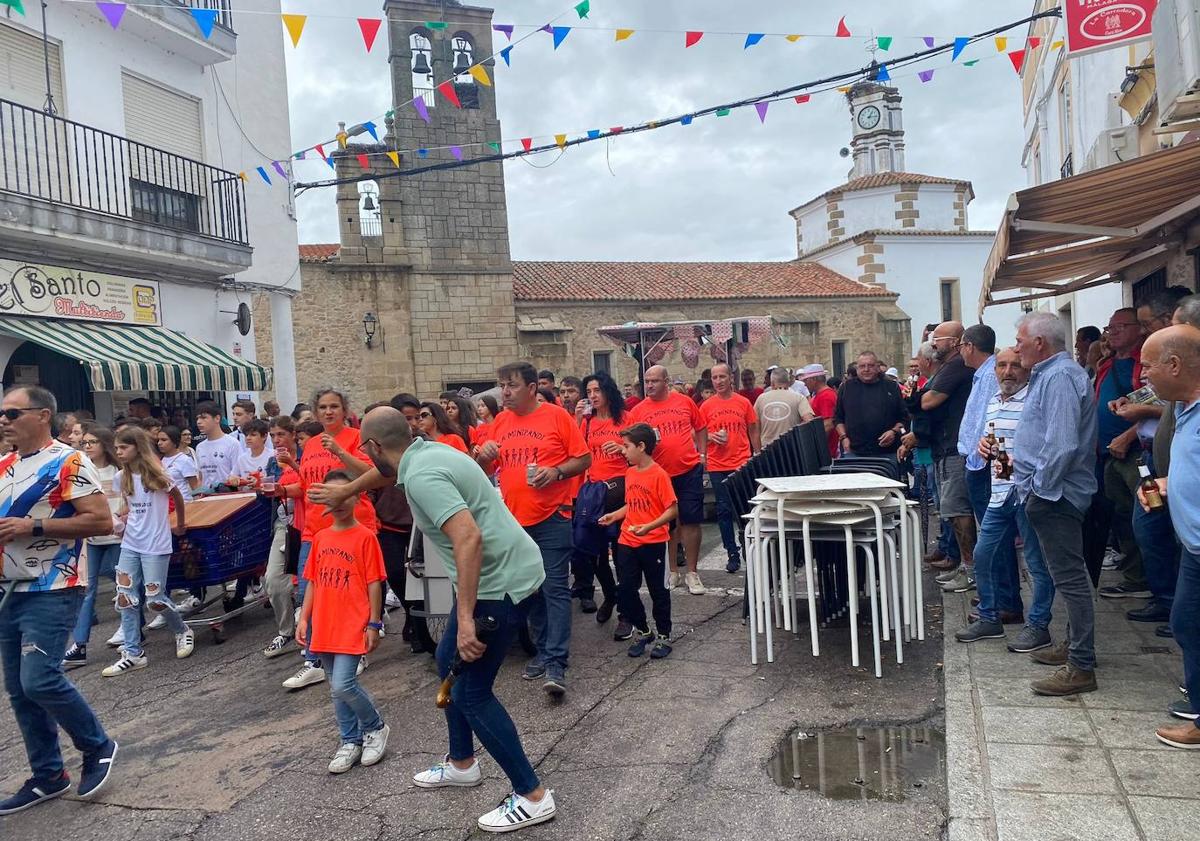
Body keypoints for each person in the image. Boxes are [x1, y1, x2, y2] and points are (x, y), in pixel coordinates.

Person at [312, 406, 557, 831]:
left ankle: (532, 795)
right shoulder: (427, 452)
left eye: (366, 450)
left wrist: (464, 618)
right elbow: (387, 474)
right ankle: (462, 763)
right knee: (448, 664)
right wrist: (346, 488)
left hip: (497, 587)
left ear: (372, 446)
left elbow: (468, 537)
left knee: (470, 694)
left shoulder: (422, 475)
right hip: (510, 570)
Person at [0, 386, 119, 814]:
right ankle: (48, 776)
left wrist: (31, 528)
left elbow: (100, 520)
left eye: (12, 413)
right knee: (18, 691)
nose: (3, 419)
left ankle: (98, 745)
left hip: (53, 587)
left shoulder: (69, 461)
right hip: (8, 590)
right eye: (2, 413)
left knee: (39, 680)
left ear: (43, 415)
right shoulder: (5, 465)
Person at [476, 362, 590, 697]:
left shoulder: (556, 416)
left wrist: (555, 472)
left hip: (552, 516)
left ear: (530, 388)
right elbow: (485, 469)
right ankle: (542, 650)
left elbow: (583, 459)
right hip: (515, 522)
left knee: (554, 589)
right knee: (531, 589)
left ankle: (556, 662)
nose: (504, 392)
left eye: (510, 385)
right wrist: (483, 456)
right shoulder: (501, 422)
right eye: (501, 385)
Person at [1013, 312, 1099, 696]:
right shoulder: (1050, 375)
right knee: (1065, 575)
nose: (1016, 348)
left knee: (1071, 578)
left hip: (1057, 494)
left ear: (1040, 343)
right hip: (1051, 492)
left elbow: (1062, 443)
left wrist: (1039, 489)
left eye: (1020, 341)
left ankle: (1081, 664)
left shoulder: (1060, 377)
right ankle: (1074, 647)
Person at [954, 348, 1055, 651]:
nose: (1008, 371)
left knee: (1036, 564)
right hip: (1000, 492)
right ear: (994, 370)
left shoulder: (1034, 401)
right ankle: (989, 617)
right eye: (1002, 365)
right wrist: (984, 446)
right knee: (984, 555)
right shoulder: (994, 402)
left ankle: (1038, 626)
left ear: (1025, 369)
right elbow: (992, 437)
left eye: (1014, 365)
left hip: (1028, 493)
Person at [294, 470, 390, 773]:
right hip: (324, 624)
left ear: (356, 496)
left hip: (352, 623)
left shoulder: (365, 537)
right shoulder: (321, 538)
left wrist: (374, 623)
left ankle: (375, 726)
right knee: (335, 688)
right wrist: (304, 618)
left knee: (343, 684)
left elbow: (375, 582)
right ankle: (350, 740)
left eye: (343, 494)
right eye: (330, 496)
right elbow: (312, 582)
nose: (336, 502)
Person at [282, 388, 377, 691]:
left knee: (352, 593)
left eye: (334, 406)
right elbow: (308, 483)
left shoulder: (355, 436)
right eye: (322, 407)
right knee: (312, 591)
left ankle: (355, 648)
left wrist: (339, 451)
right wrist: (284, 489)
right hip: (316, 529)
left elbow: (375, 472)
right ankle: (313, 660)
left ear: (345, 409)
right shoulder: (309, 443)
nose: (328, 412)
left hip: (354, 526)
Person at [1135, 324, 1200, 748]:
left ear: (1174, 365)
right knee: (1186, 622)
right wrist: (1165, 483)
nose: (1143, 377)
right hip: (1193, 547)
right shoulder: (1186, 411)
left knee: (1188, 621)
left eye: (1148, 367)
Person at [100, 427, 194, 676]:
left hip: (156, 544)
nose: (118, 452)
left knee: (155, 598)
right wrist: (121, 521)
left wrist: (180, 523)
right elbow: (129, 506)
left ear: (137, 448)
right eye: (117, 447)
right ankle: (132, 652)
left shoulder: (159, 474)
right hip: (131, 543)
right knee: (125, 598)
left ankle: (182, 629)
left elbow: (178, 496)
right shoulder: (123, 477)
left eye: (123, 447)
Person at [599, 423, 677, 659]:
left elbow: (671, 510)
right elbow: (631, 504)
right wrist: (616, 515)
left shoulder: (659, 474)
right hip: (628, 540)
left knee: (658, 591)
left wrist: (650, 526)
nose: (623, 451)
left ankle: (664, 635)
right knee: (626, 590)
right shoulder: (630, 472)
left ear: (641, 447)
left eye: (626, 446)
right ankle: (643, 630)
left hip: (653, 541)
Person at [627, 365, 706, 594]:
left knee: (691, 520)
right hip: (659, 475)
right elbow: (632, 443)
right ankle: (673, 571)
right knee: (668, 524)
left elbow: (700, 426)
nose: (650, 385)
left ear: (666, 381)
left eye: (655, 381)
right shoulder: (639, 411)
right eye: (647, 381)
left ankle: (692, 572)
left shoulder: (684, 401)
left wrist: (702, 455)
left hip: (689, 469)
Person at [919, 322, 977, 594]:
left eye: (937, 340)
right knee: (952, 511)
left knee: (958, 511)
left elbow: (927, 401)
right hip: (946, 446)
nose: (933, 345)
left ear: (954, 342)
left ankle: (971, 570)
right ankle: (965, 566)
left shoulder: (955, 367)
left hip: (955, 448)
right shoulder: (950, 366)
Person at [952, 324, 1006, 596]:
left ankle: (997, 596)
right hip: (977, 460)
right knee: (990, 531)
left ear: (970, 346)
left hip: (982, 462)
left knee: (991, 533)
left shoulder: (988, 376)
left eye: (962, 345)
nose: (961, 351)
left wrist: (977, 456)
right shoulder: (981, 375)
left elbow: (989, 419)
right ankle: (996, 595)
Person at [62, 427, 124, 668]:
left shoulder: (118, 470)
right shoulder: (81, 471)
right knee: (87, 589)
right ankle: (79, 644)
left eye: (93, 442)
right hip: (92, 539)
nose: (87, 446)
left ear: (105, 444)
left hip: (117, 536)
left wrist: (118, 519)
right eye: (85, 442)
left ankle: (132, 628)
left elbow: (127, 501)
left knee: (123, 582)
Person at [572, 373, 626, 630]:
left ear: (608, 391)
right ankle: (610, 594)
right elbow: (577, 451)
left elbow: (646, 449)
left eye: (597, 389)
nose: (593, 395)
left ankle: (626, 612)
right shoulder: (588, 421)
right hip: (593, 493)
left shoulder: (625, 418)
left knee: (621, 551)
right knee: (593, 552)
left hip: (620, 491)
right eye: (589, 390)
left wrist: (623, 449)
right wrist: (577, 418)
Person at [700, 363, 761, 575]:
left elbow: (753, 427)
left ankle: (747, 548)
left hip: (741, 462)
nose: (718, 381)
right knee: (724, 510)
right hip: (717, 464)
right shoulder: (706, 406)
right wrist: (708, 437)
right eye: (715, 378)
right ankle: (732, 553)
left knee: (745, 510)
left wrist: (757, 454)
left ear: (730, 379)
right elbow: (696, 431)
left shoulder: (743, 402)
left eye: (722, 377)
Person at [262, 416, 302, 659]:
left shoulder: (306, 455)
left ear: (293, 434)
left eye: (281, 435)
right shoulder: (271, 462)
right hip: (284, 522)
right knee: (273, 580)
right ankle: (286, 630)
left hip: (308, 521)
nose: (277, 440)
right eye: (273, 435)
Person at [833, 351, 905, 458]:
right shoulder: (847, 388)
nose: (866, 369)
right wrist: (844, 438)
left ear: (877, 367)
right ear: (857, 369)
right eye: (862, 366)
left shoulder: (892, 387)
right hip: (854, 452)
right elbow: (838, 418)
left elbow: (904, 418)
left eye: (870, 366)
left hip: (887, 453)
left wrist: (894, 432)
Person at [756, 366, 814, 447]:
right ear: (788, 382)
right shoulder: (799, 398)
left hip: (768, 450)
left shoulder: (761, 399)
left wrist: (757, 451)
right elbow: (809, 421)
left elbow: (754, 426)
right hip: (792, 447)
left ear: (772, 383)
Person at [194, 401, 244, 492]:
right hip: (206, 498)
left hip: (227, 497)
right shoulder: (200, 447)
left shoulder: (232, 444)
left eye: (204, 418)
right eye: (197, 418)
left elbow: (239, 474)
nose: (199, 422)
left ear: (217, 418)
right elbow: (201, 477)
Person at [799, 364, 838, 458]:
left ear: (813, 380)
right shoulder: (821, 395)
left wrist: (813, 444)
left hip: (826, 452)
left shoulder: (826, 396)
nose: (804, 384)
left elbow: (828, 424)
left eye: (805, 380)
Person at [157, 426, 200, 503]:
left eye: (164, 440)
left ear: (174, 441)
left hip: (184, 504)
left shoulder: (184, 460)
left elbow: (195, 487)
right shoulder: (160, 460)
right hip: (167, 505)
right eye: (158, 440)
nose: (159, 443)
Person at [231, 418, 272, 486]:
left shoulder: (273, 455)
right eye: (246, 435)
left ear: (264, 436)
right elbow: (232, 476)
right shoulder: (242, 458)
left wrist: (260, 482)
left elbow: (276, 480)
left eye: (253, 435)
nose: (248, 438)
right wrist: (234, 479)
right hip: (246, 495)